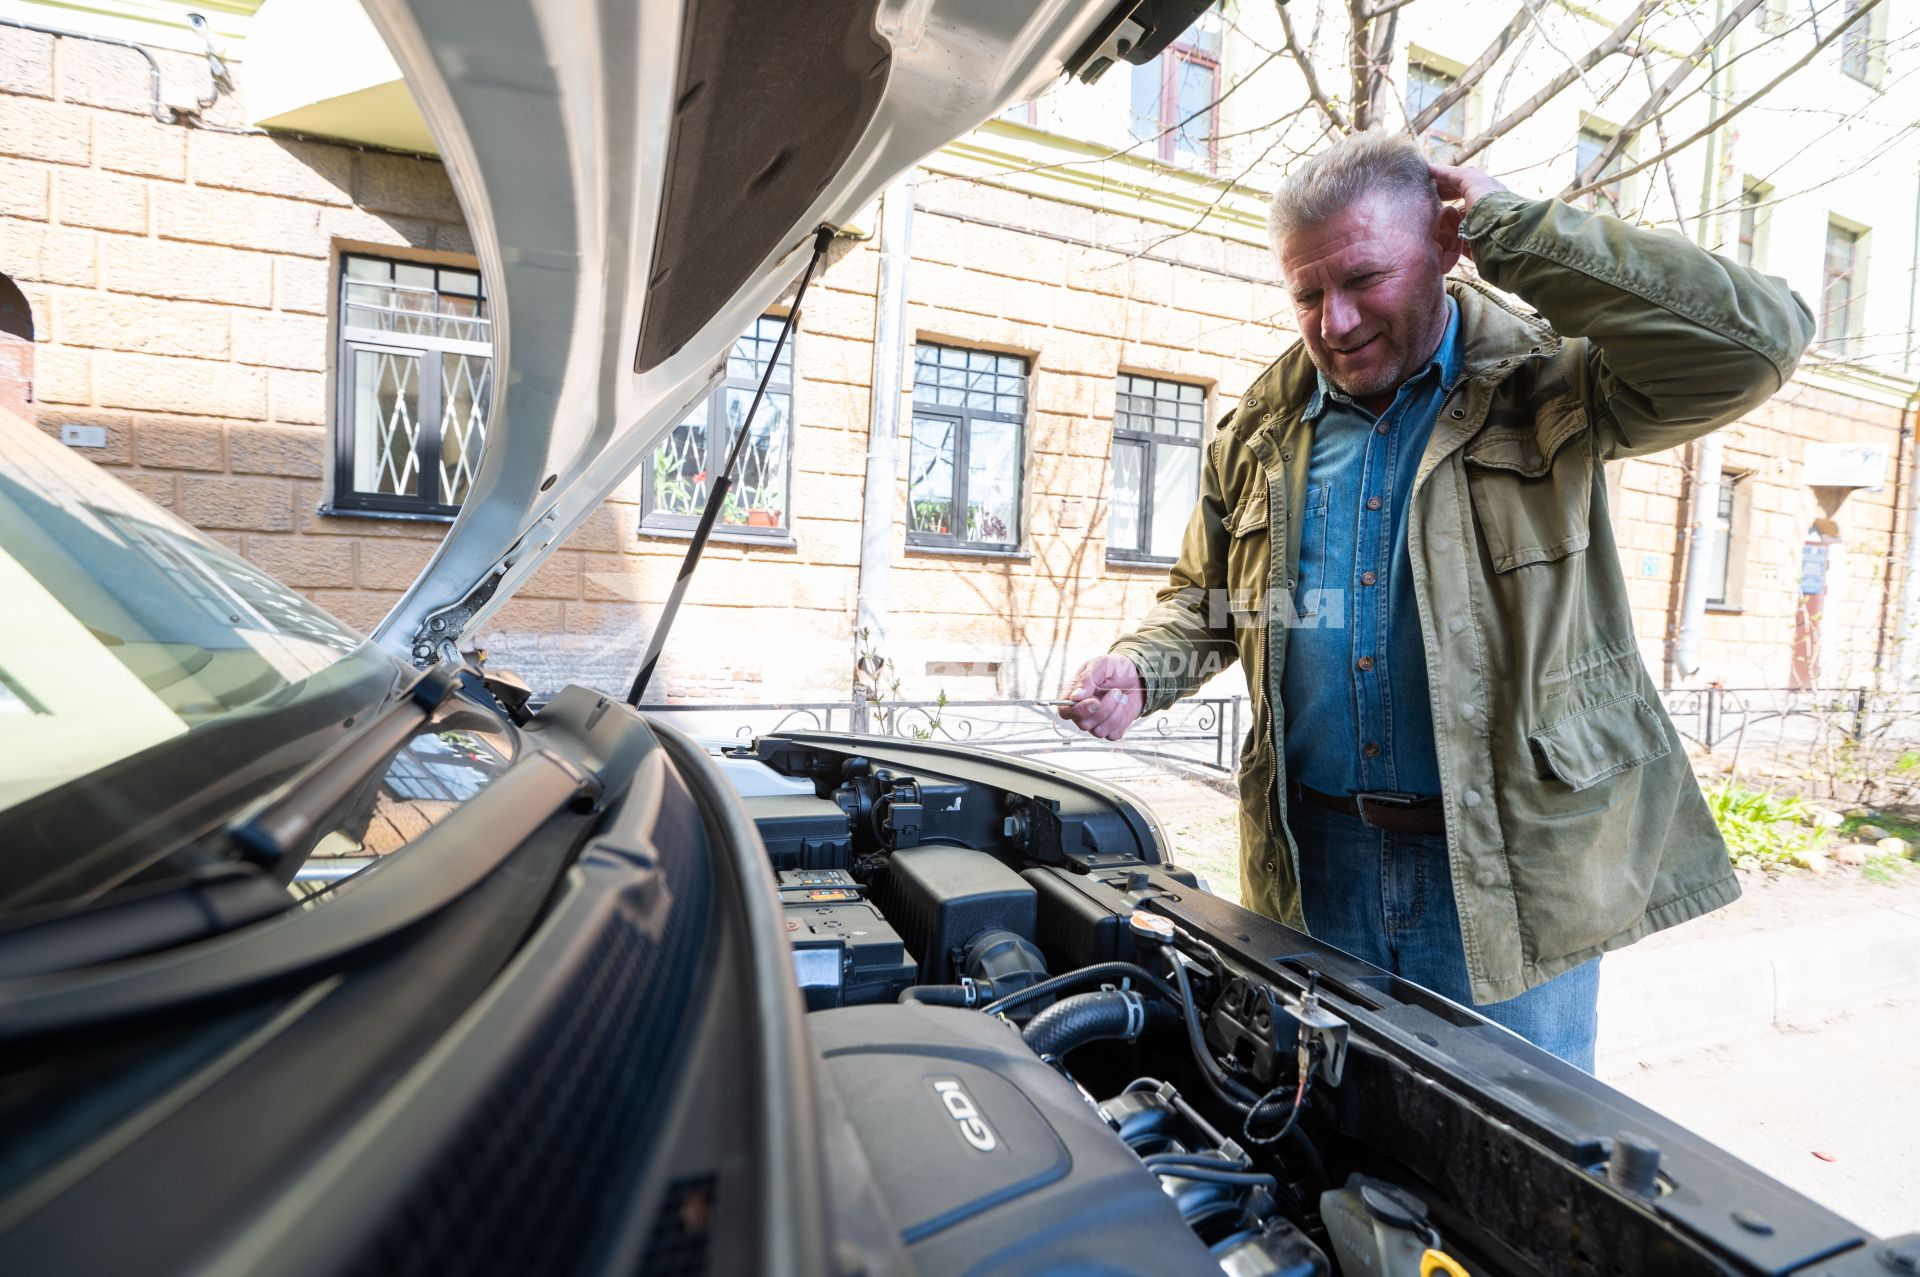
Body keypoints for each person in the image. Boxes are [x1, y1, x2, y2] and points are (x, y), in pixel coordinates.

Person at [1058, 129, 1813, 1070]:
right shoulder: (1256, 432)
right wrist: (1142, 667)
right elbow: (1213, 602)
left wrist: (1520, 228)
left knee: (1505, 1167)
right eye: (1307, 293)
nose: (1333, 321)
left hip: (1502, 869)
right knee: (1318, 1146)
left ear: (1450, 249)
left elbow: (1758, 341)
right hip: (1312, 861)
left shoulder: (1551, 381)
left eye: (1363, 279)